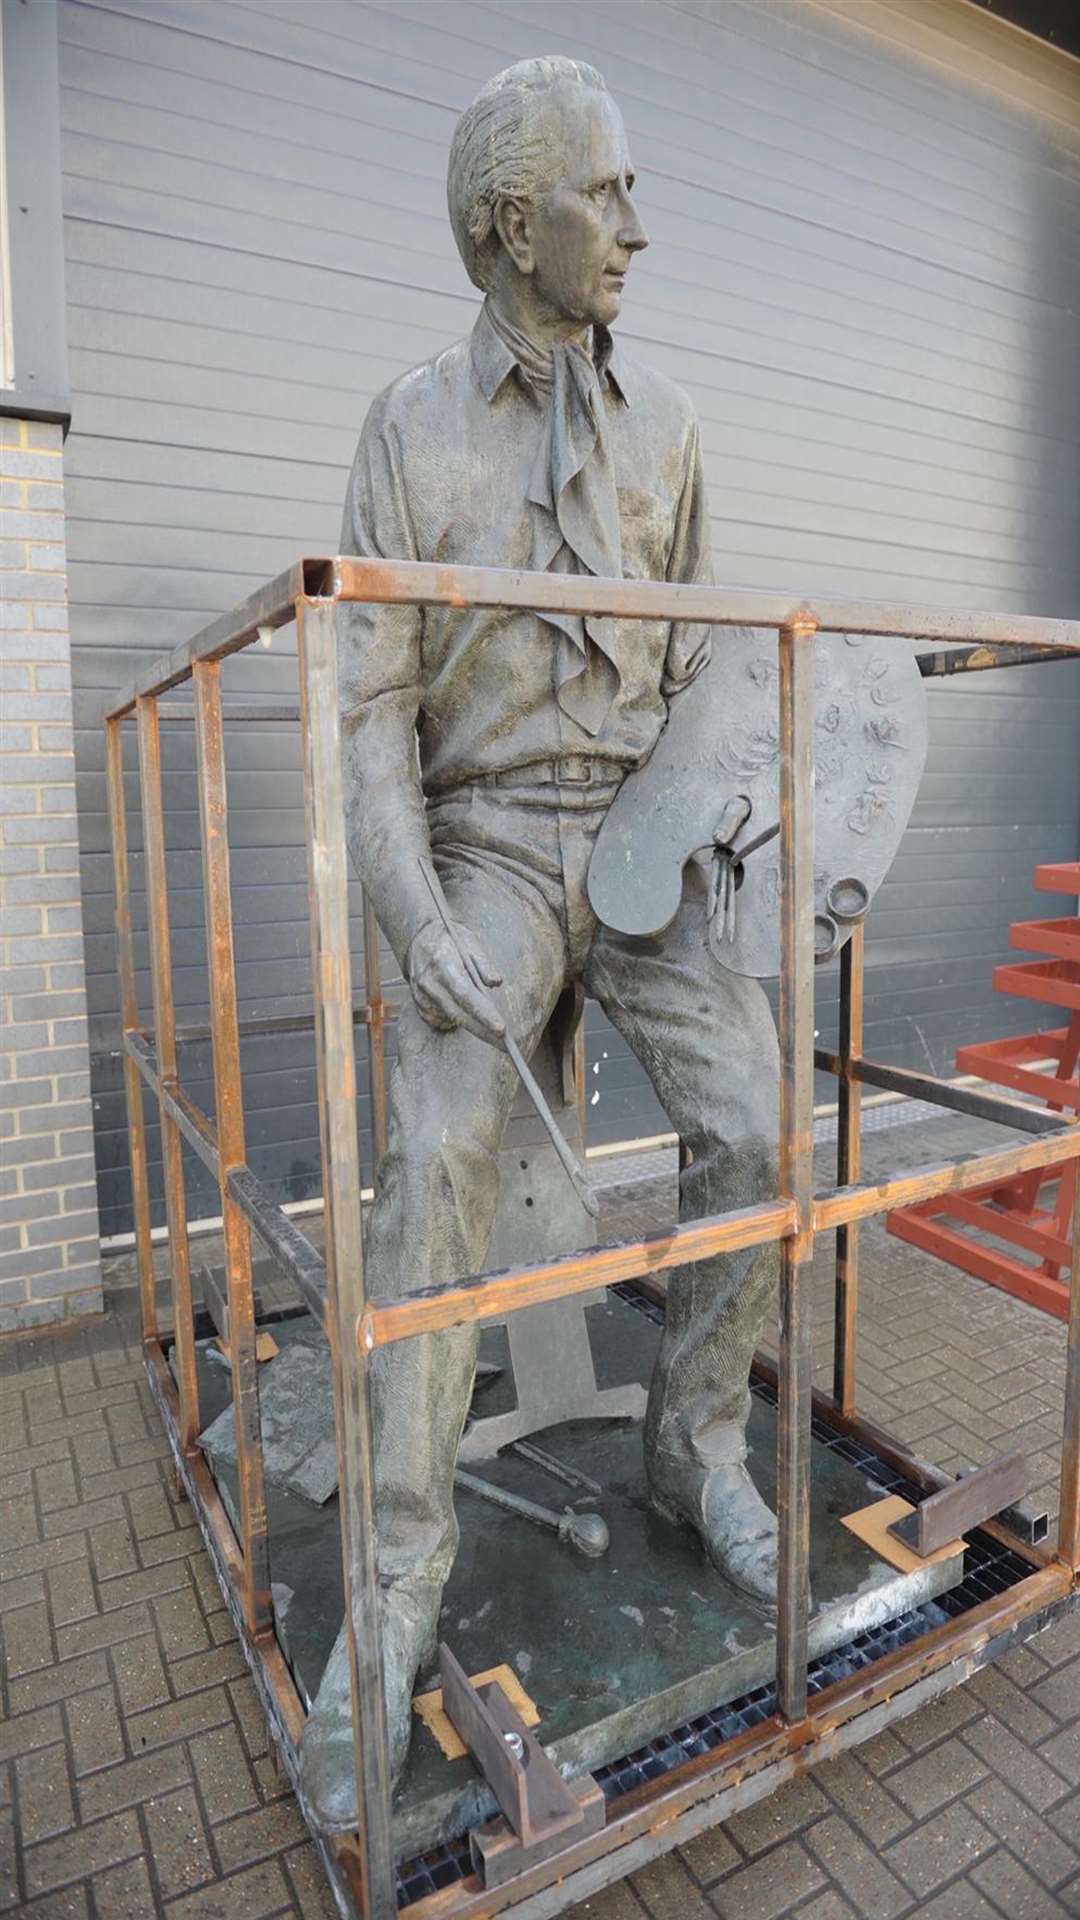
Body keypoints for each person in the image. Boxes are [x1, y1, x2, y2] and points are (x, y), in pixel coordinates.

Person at [300, 54, 780, 1829]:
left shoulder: (673, 433)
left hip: (640, 842)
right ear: (515, 223)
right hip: (487, 847)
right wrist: (407, 911)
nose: (641, 229)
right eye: (610, 194)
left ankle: (696, 1451)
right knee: (435, 1155)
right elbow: (361, 713)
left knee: (757, 1121)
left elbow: (723, 673)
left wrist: (720, 836)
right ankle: (398, 1578)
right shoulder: (405, 430)